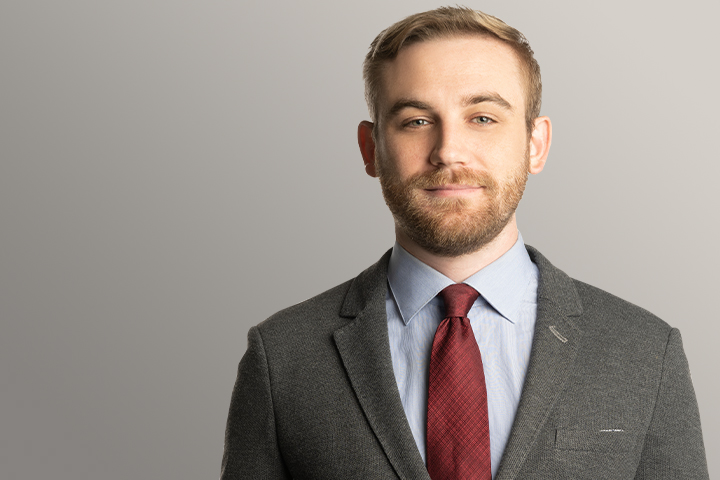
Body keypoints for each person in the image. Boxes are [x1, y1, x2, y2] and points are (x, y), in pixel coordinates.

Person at [221, 6, 708, 479]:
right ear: (371, 149)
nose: (448, 151)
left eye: (483, 118)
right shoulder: (282, 356)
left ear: (535, 144)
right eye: (416, 121)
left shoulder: (646, 352)